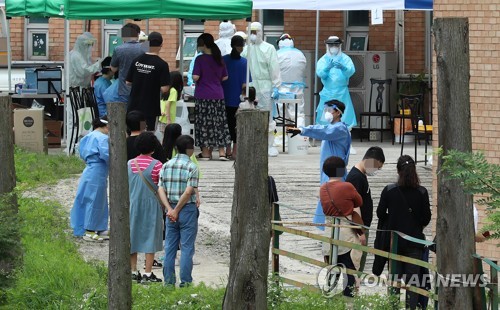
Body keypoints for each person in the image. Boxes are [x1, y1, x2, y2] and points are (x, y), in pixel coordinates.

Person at [376, 155, 431, 310]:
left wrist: (392, 219)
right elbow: (426, 218)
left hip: (394, 242)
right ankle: (411, 308)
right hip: (415, 243)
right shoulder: (422, 192)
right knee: (413, 281)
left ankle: (393, 306)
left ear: (398, 171)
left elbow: (380, 213)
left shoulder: (389, 190)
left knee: (394, 278)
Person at [287, 100, 351, 229]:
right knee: (327, 197)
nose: (326, 113)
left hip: (336, 171)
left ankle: (336, 230)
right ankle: (329, 230)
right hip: (328, 170)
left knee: (334, 198)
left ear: (338, 112)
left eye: (329, 110)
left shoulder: (339, 129)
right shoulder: (334, 128)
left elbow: (323, 131)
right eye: (325, 110)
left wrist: (302, 130)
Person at [319, 156, 364, 297]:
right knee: (349, 269)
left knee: (333, 267)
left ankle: (329, 295)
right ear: (341, 170)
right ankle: (349, 299)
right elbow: (359, 202)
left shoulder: (323, 188)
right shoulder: (347, 186)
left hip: (329, 231)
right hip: (345, 233)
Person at [158, 135, 199, 287]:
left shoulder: (166, 165)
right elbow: (189, 192)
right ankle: (186, 282)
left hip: (170, 210)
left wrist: (170, 209)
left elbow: (160, 188)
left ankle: (168, 282)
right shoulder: (192, 167)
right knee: (187, 247)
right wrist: (177, 209)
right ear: (191, 150)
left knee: (170, 247)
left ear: (176, 148)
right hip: (186, 208)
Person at [128, 132, 164, 283]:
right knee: (151, 236)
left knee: (132, 235)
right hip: (152, 205)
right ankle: (148, 273)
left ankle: (133, 270)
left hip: (133, 203)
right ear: (154, 147)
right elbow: (161, 187)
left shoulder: (129, 163)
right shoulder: (158, 165)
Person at [241, 22, 282, 157]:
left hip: (265, 86)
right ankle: (252, 143)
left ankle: (269, 145)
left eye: (255, 32)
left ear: (260, 32)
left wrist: (276, 85)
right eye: (250, 32)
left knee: (267, 116)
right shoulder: (246, 49)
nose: (253, 35)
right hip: (250, 87)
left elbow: (274, 67)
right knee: (249, 113)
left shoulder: (269, 48)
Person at [192, 33, 231, 161]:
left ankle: (206, 153)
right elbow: (225, 77)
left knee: (204, 123)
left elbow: (195, 77)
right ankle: (221, 152)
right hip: (218, 95)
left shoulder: (200, 59)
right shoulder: (219, 58)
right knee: (219, 123)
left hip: (203, 95)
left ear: (202, 44)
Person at [315, 36, 357, 154]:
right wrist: (327, 69)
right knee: (326, 119)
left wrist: (343, 68)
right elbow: (320, 73)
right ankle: (326, 144)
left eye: (336, 45)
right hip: (328, 93)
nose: (333, 48)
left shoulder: (345, 59)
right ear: (327, 46)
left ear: (340, 46)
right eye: (331, 45)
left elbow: (351, 71)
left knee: (346, 118)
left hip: (342, 92)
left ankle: (348, 145)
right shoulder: (323, 60)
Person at [346, 146, 385, 271]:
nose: (376, 170)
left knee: (359, 261)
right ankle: (353, 288)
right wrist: (360, 231)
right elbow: (354, 207)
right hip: (358, 228)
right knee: (356, 263)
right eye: (377, 167)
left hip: (363, 226)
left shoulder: (361, 175)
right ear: (370, 161)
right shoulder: (356, 178)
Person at [70, 117, 109, 241]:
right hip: (98, 169)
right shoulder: (102, 138)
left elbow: (81, 153)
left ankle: (97, 227)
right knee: (95, 199)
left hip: (90, 168)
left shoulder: (89, 136)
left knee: (90, 197)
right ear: (106, 126)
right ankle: (90, 229)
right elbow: (106, 154)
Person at [127, 31, 171, 131]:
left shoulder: (137, 60)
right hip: (150, 108)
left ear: (147, 43)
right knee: (146, 135)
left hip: (134, 106)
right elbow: (164, 89)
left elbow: (128, 82)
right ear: (161, 45)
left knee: (133, 132)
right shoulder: (162, 64)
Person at [222, 35, 249, 160]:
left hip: (223, 97)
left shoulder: (223, 60)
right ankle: (235, 152)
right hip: (237, 100)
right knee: (236, 127)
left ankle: (227, 149)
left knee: (225, 125)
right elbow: (245, 84)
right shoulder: (244, 62)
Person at [276, 33, 307, 127]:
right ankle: (300, 138)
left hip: (281, 88)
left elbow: (273, 71)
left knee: (280, 115)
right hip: (297, 88)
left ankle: (280, 139)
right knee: (298, 114)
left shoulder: (277, 54)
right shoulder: (300, 54)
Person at [110, 23, 144, 104]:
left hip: (124, 90)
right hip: (142, 89)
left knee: (126, 114)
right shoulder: (145, 47)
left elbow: (113, 69)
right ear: (138, 34)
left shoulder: (118, 49)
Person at [158, 71, 183, 136]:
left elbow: (162, 102)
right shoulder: (173, 91)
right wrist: (168, 119)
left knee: (164, 136)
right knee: (168, 137)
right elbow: (167, 104)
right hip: (168, 118)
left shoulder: (166, 90)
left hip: (162, 117)